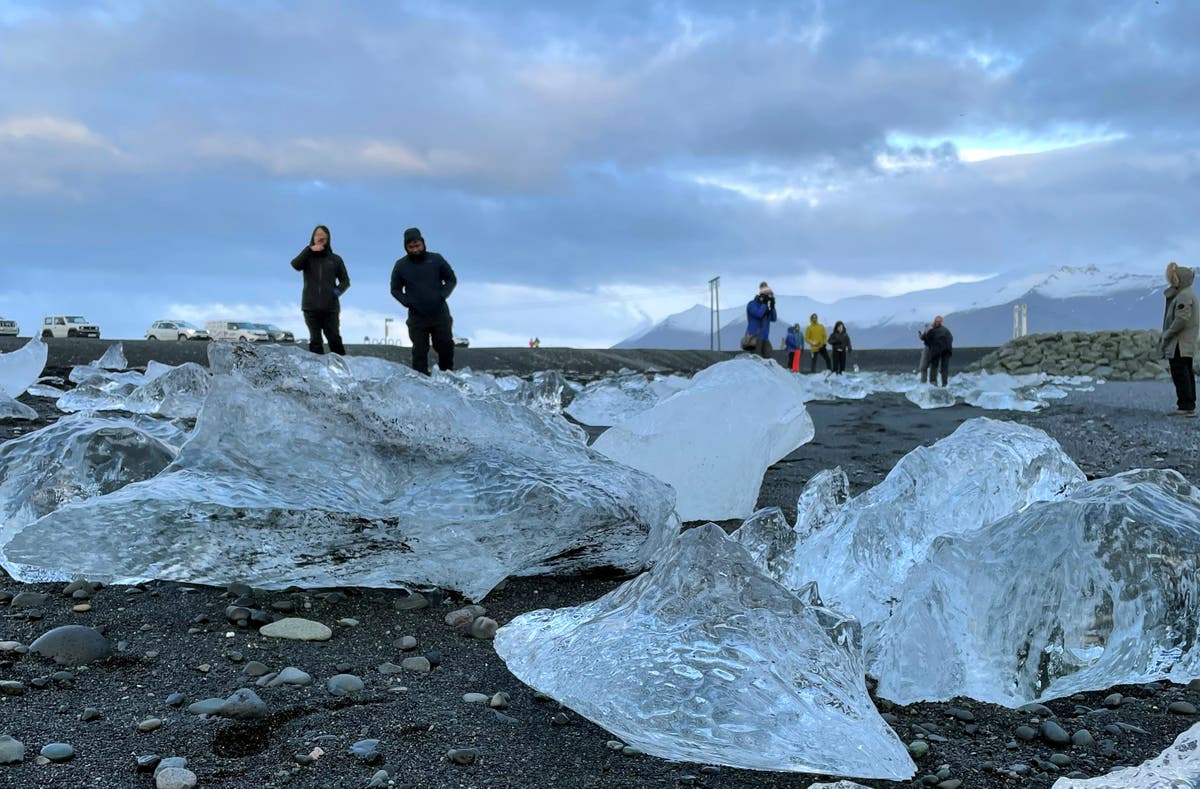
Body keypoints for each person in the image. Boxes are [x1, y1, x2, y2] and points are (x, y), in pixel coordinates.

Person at [390, 227, 458, 375]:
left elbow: (451, 279)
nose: (415, 250)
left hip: (439, 314)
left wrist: (442, 295)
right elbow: (395, 289)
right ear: (406, 247)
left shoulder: (436, 259)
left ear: (423, 243)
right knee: (419, 352)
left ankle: (447, 379)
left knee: (445, 347)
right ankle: (422, 384)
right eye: (411, 247)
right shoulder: (401, 265)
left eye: (417, 245)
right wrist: (407, 301)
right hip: (417, 318)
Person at [290, 224, 350, 355]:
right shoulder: (308, 257)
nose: (320, 238)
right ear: (313, 238)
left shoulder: (335, 259)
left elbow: (345, 281)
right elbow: (295, 265)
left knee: (334, 339)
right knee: (316, 341)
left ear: (328, 239)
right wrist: (309, 250)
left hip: (330, 308)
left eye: (323, 236)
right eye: (317, 235)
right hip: (310, 307)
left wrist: (335, 293)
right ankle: (318, 371)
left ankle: (343, 368)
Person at [1161, 261, 1198, 416]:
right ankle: (1188, 405)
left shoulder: (1184, 296)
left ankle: (1185, 406)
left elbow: (1181, 319)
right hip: (1185, 342)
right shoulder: (1186, 293)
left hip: (1179, 342)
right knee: (1186, 371)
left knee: (1180, 373)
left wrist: (1168, 333)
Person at [743, 282, 777, 358]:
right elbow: (759, 314)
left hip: (765, 337)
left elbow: (773, 318)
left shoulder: (765, 307)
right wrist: (764, 304)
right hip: (755, 337)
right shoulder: (752, 304)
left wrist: (772, 306)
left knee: (768, 357)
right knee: (756, 360)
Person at [922, 315, 953, 386]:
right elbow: (951, 338)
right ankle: (942, 384)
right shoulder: (945, 330)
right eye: (936, 321)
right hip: (945, 350)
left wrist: (923, 338)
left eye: (938, 321)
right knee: (942, 368)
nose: (937, 322)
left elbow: (927, 341)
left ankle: (936, 384)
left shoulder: (932, 331)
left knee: (936, 367)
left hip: (941, 351)